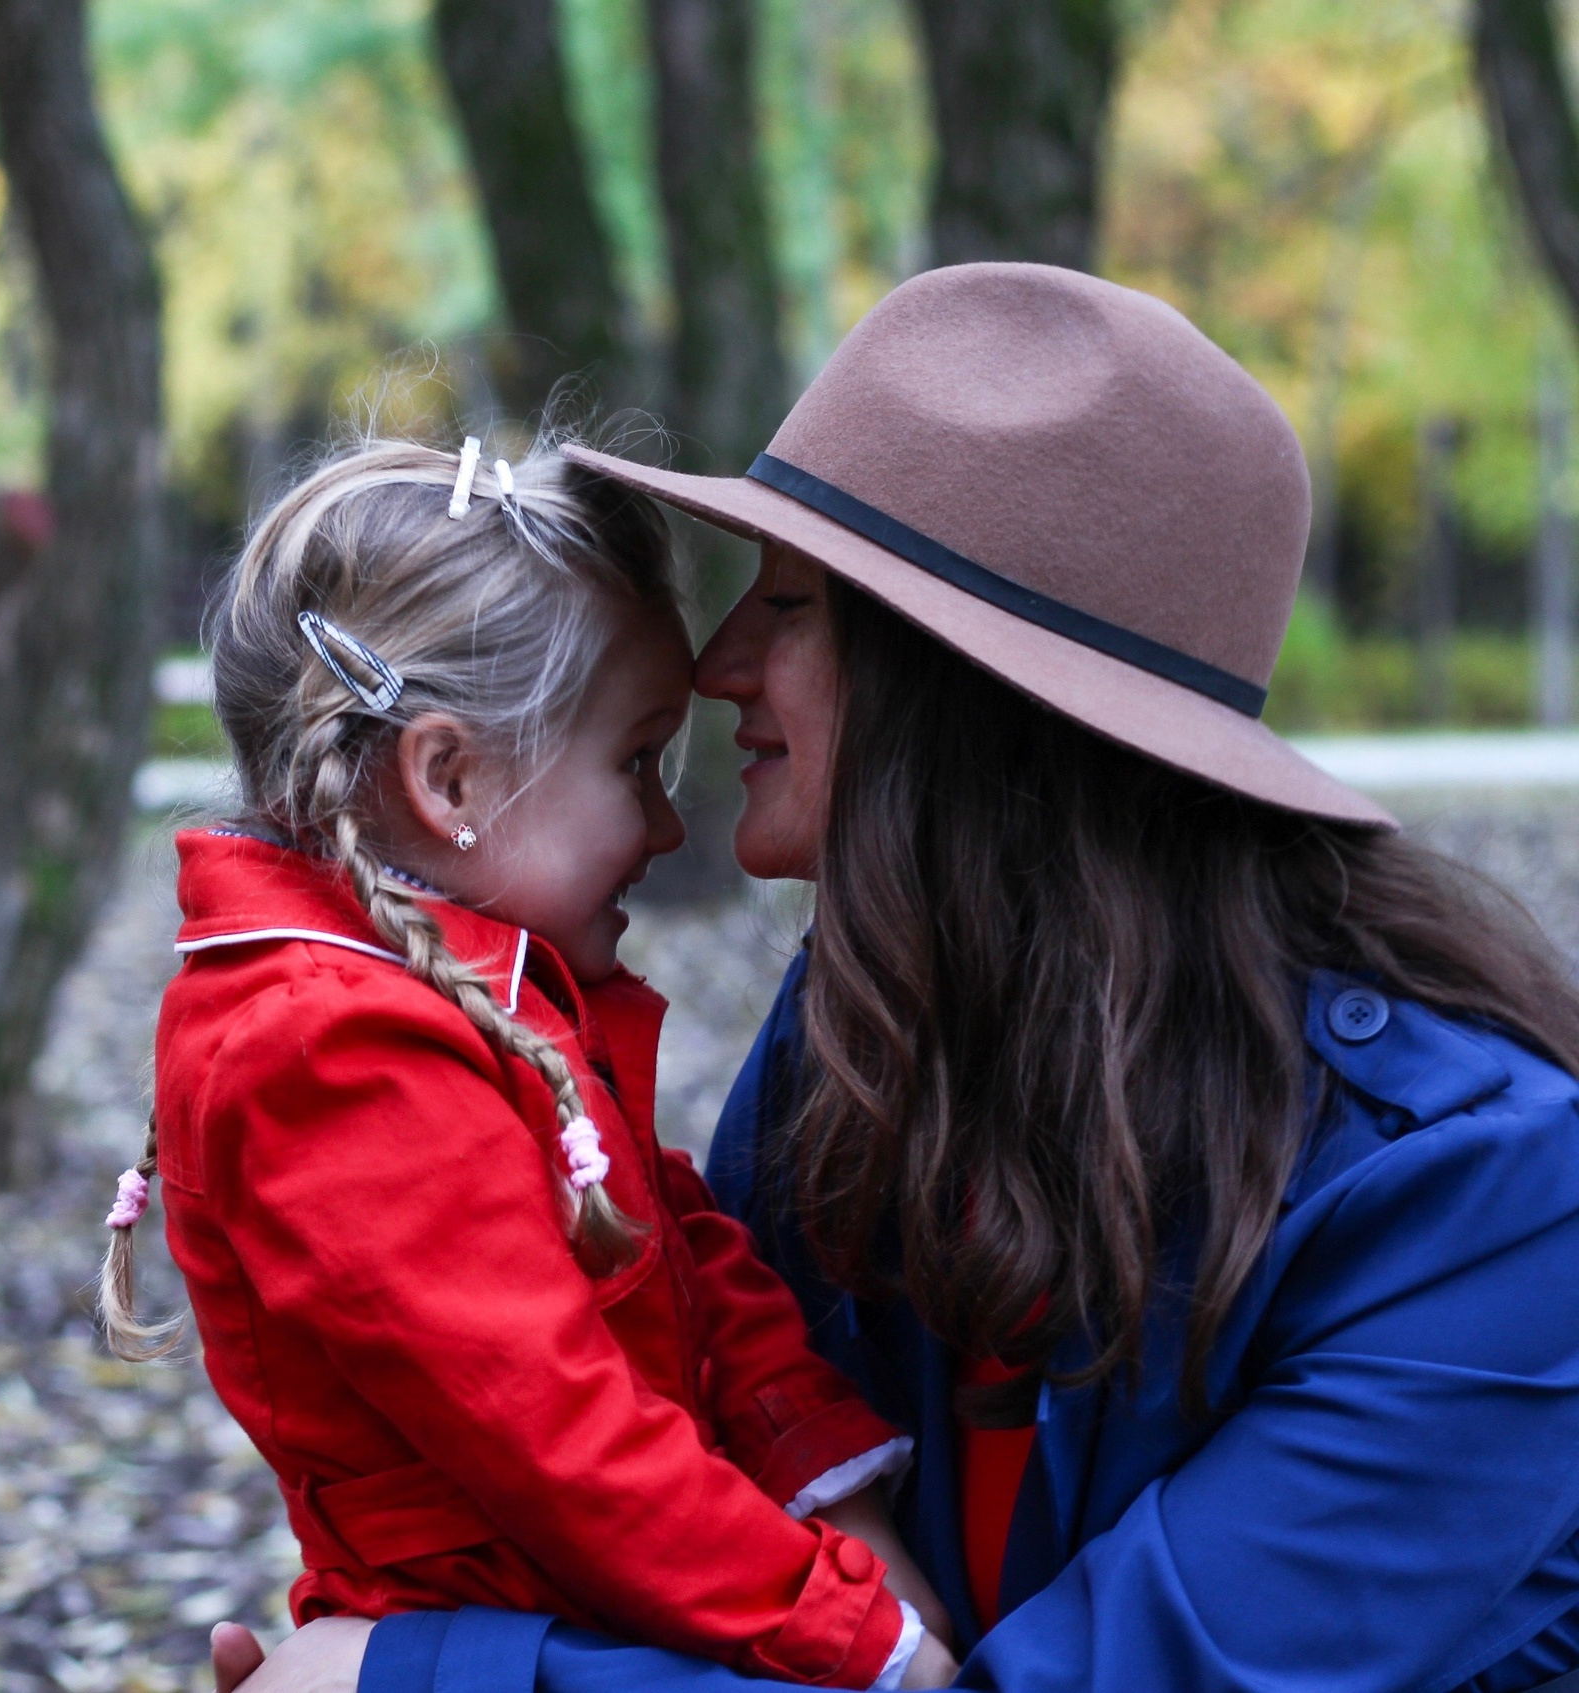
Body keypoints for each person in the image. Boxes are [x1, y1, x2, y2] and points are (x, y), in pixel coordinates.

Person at [207, 264, 1579, 1693]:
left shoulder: (1476, 1205)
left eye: (790, 603)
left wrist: (425, 1679)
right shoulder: (867, 1041)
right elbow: (743, 1562)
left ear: (969, 700)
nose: (724, 659)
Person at [100, 437, 959, 1687]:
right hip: (517, 1630)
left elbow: (677, 1251)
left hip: (629, 1608)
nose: (669, 827)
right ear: (448, 776)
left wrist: (834, 1492)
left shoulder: (467, 1003)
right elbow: (551, 1434)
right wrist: (860, 1636)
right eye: (636, 762)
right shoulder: (330, 1052)